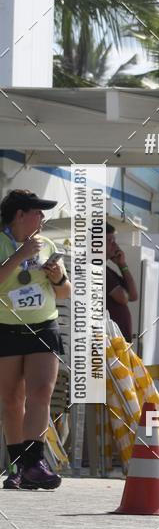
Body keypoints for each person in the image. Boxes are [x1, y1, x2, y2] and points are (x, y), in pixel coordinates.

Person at [0, 190, 71, 489]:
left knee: (41, 393)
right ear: (19, 215)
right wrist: (20, 256)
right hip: (7, 328)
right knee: (12, 401)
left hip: (44, 326)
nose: (43, 217)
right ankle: (16, 467)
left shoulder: (49, 244)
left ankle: (34, 463)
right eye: (38, 212)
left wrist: (56, 277)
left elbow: (64, 292)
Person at [106, 223, 138, 342]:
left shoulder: (108, 270)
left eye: (115, 240)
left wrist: (122, 265)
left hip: (118, 342)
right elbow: (123, 298)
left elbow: (133, 296)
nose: (115, 245)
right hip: (111, 343)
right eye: (110, 240)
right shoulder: (97, 269)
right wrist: (125, 293)